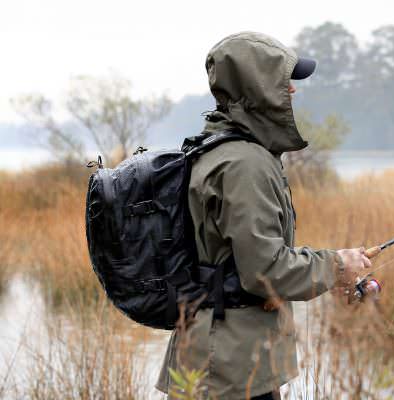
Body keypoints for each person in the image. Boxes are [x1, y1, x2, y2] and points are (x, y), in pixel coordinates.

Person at [156, 31, 371, 400]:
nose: (292, 91)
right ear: (257, 88)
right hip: (229, 367)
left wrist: (325, 271)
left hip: (224, 358)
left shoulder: (225, 149)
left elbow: (245, 261)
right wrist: (336, 266)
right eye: (284, 81)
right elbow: (264, 271)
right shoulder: (244, 163)